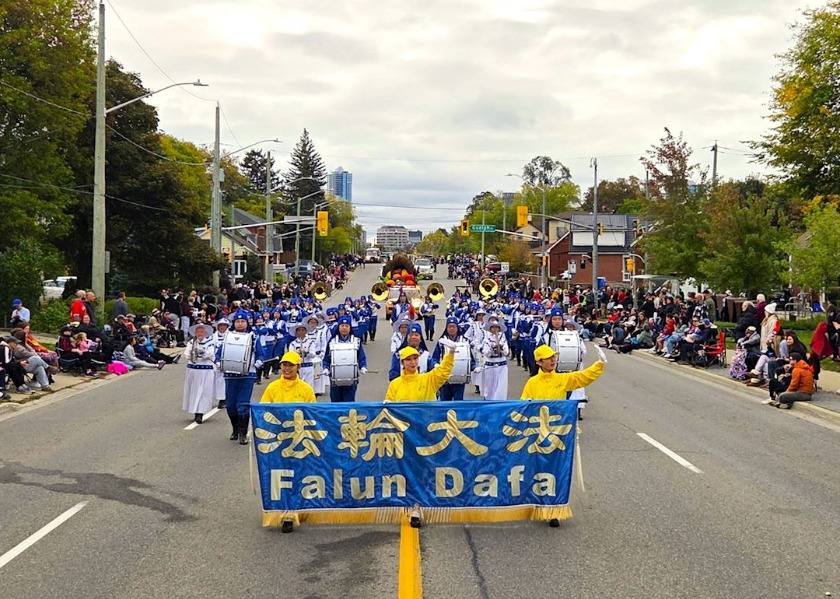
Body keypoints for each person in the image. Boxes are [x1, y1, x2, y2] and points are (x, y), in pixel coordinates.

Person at [217, 310, 268, 445]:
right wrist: (218, 362)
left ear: (247, 322)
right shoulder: (228, 337)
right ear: (234, 323)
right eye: (238, 321)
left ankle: (243, 433)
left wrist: (258, 363)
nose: (240, 324)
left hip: (247, 375)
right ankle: (235, 428)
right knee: (231, 406)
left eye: (243, 321)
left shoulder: (253, 337)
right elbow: (219, 353)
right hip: (230, 374)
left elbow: (261, 355)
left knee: (243, 405)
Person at [521, 344, 607, 401]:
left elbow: (584, 376)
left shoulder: (562, 378)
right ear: (539, 362)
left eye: (553, 357)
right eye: (548, 358)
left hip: (559, 425)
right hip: (540, 426)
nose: (553, 360)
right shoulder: (532, 382)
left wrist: (600, 363)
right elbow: (523, 406)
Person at [385, 342, 455, 401]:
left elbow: (443, 371)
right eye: (408, 359)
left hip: (426, 417)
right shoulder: (394, 384)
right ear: (402, 362)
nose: (413, 362)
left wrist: (450, 354)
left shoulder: (429, 380)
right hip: (402, 418)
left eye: (415, 358)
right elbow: (390, 408)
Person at [323, 315, 368, 403]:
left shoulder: (356, 341)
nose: (344, 328)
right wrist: (325, 368)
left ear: (350, 327)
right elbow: (326, 359)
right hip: (335, 379)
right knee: (335, 403)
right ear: (338, 327)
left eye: (347, 326)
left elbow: (361, 357)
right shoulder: (332, 342)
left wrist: (363, 366)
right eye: (342, 326)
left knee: (349, 403)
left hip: (351, 379)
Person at [182, 323, 216, 424]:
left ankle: (200, 412)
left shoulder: (210, 342)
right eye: (198, 332)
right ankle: (195, 411)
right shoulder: (191, 342)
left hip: (205, 370)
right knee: (193, 390)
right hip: (193, 369)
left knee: (204, 391)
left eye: (201, 332)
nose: (200, 333)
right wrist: (193, 354)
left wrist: (201, 352)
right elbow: (187, 354)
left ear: (205, 333)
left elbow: (210, 354)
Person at [480, 317, 509, 400]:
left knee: (501, 387)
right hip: (490, 365)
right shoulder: (487, 339)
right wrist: (492, 348)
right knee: (489, 387)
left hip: (501, 365)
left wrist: (501, 347)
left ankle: (500, 403)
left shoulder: (503, 339)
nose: (495, 329)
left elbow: (507, 352)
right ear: (490, 329)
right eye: (493, 327)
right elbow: (486, 352)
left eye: (496, 327)